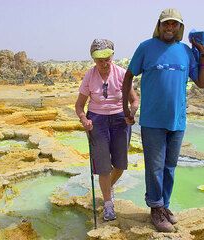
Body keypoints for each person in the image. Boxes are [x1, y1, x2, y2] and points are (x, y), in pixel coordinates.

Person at [122, 8, 204, 232]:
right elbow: (128, 76)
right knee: (154, 167)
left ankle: (165, 206)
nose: (170, 28)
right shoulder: (146, 47)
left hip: (177, 120)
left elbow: (201, 82)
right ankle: (155, 208)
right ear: (159, 25)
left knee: (170, 167)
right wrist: (126, 109)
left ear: (180, 27)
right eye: (166, 24)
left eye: (174, 24)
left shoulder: (186, 51)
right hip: (152, 121)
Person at [75, 39, 139, 221]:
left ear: (112, 55)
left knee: (120, 165)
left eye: (106, 58)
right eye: (98, 59)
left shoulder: (122, 74)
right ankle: (108, 204)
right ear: (93, 59)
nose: (103, 63)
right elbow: (79, 106)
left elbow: (134, 100)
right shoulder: (89, 76)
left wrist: (131, 112)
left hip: (120, 120)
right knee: (103, 167)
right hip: (97, 121)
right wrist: (84, 119)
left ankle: (107, 188)